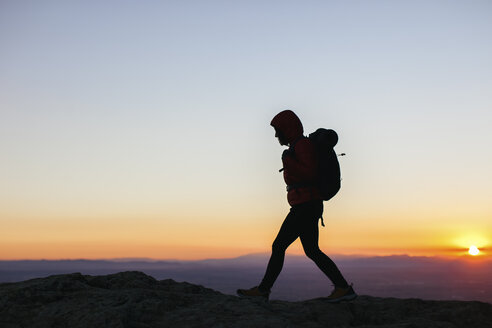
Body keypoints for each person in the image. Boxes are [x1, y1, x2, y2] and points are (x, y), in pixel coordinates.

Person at [237, 110, 356, 303]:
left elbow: (309, 174)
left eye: (278, 131)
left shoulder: (302, 146)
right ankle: (343, 288)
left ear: (287, 129)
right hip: (308, 205)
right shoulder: (299, 146)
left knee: (279, 246)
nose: (276, 136)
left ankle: (263, 291)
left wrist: (288, 161)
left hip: (305, 206)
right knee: (312, 250)